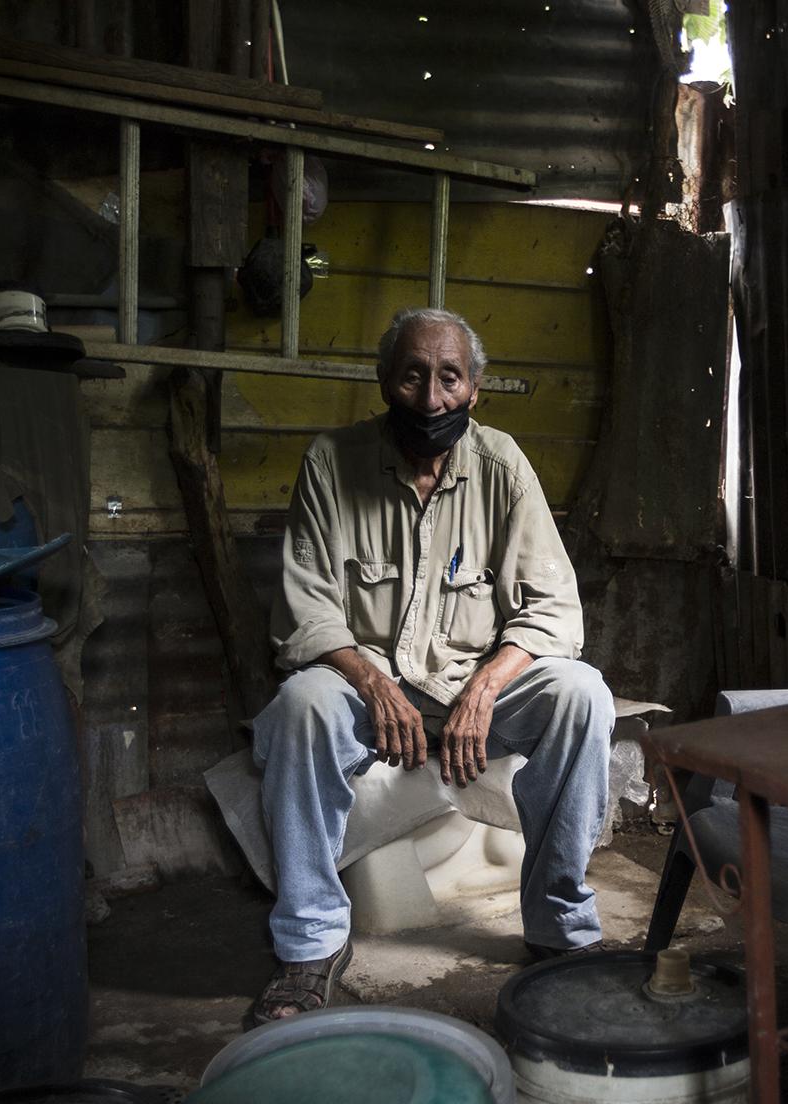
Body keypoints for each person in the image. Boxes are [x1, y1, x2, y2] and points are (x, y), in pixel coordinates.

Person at [244, 307, 613, 1027]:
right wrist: (373, 681)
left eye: (450, 377)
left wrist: (486, 686)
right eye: (413, 375)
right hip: (369, 683)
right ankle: (312, 944)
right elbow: (304, 609)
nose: (432, 397)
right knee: (301, 704)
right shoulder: (331, 460)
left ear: (476, 388)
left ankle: (559, 929)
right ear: (385, 381)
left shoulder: (503, 467)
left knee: (582, 695)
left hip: (476, 682)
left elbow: (554, 609)